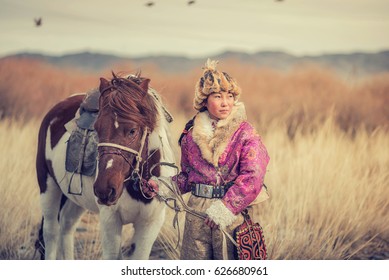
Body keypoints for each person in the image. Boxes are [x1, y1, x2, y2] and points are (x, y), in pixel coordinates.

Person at [146, 59, 270, 260]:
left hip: (232, 213)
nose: (225, 102)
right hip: (196, 213)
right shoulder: (190, 135)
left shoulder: (246, 133)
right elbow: (187, 177)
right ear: (204, 100)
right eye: (218, 96)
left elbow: (253, 176)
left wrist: (225, 209)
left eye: (230, 96)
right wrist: (162, 187)